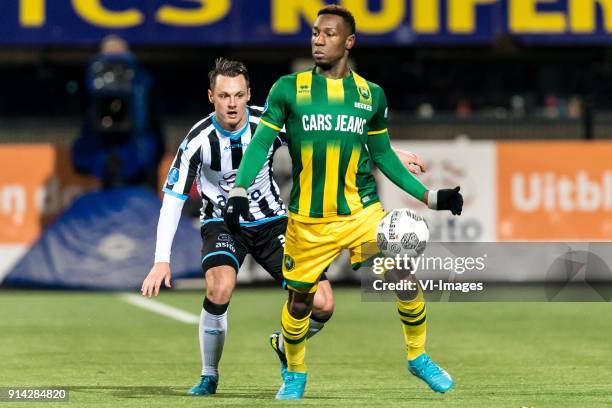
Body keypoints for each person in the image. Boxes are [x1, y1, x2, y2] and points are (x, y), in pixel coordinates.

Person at [224, 5, 463, 400]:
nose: (318, 39)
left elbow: (383, 155)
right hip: (308, 220)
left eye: (329, 34)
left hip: (361, 213)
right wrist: (238, 191)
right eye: (315, 32)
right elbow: (261, 142)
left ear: (348, 42)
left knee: (401, 273)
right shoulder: (288, 89)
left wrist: (432, 198)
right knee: (301, 304)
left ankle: (418, 356)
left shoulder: (371, 95)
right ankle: (295, 372)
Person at [72, 35, 164, 190]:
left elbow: (149, 127)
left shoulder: (141, 84)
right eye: (109, 62)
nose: (114, 70)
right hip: (107, 156)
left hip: (136, 157)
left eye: (120, 62)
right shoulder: (94, 86)